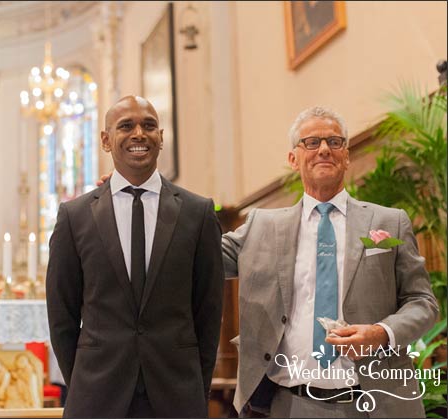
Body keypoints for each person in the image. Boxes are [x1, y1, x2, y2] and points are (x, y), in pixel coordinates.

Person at [222, 106, 439, 418]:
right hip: (288, 404)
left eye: (334, 142)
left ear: (346, 156)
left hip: (377, 402)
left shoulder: (390, 222)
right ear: (293, 159)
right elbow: (201, 257)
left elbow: (423, 303)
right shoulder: (261, 227)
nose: (324, 149)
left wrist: (380, 333)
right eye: (311, 142)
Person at [46, 95, 224, 418]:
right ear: (105, 140)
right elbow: (62, 315)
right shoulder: (75, 217)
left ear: (161, 137)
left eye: (149, 126)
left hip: (177, 395)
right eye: (126, 126)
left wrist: (196, 386)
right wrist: (85, 380)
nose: (139, 134)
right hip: (97, 395)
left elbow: (208, 313)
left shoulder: (197, 213)